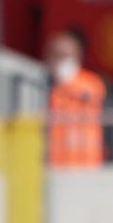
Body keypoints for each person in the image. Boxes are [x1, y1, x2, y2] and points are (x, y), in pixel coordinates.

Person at [44, 31, 106, 168]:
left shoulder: (91, 82)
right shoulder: (42, 85)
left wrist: (63, 83)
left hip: (87, 161)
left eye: (66, 56)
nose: (62, 61)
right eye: (57, 56)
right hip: (55, 162)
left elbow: (89, 94)